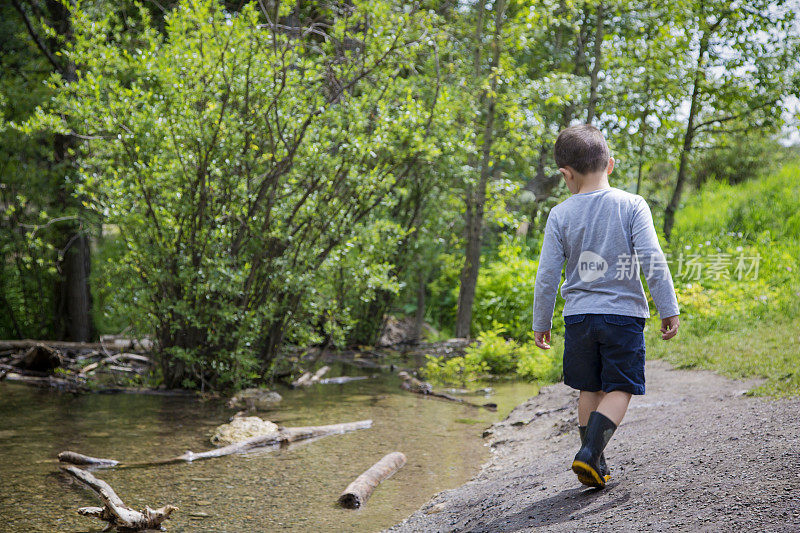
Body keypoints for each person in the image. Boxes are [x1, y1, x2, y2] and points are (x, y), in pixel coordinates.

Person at [531, 124, 680, 489]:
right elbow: (652, 259)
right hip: (623, 316)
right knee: (621, 386)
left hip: (579, 317)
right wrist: (668, 307)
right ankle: (589, 455)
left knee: (589, 387)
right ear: (609, 164)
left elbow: (548, 274)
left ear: (565, 173)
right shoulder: (631, 204)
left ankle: (594, 460)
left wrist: (541, 320)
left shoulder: (560, 214)